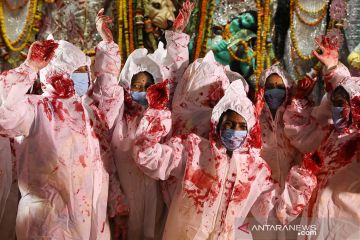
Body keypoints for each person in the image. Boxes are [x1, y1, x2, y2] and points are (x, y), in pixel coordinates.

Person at [132, 79, 317, 239]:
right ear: (217, 124)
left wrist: (303, 180)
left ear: (249, 129)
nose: (234, 130)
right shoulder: (194, 151)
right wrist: (156, 114)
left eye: (240, 126)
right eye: (229, 124)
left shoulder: (255, 170)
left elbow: (276, 212)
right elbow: (148, 157)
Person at [0, 12, 127, 239]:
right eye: (77, 72)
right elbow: (4, 111)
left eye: (85, 72)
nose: (86, 78)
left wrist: (107, 46)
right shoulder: (36, 109)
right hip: (47, 222)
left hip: (88, 218)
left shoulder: (88, 112)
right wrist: (29, 67)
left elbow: (107, 92)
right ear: (58, 75)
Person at [110, 1, 193, 239]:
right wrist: (116, 200)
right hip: (123, 202)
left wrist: (177, 37)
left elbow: (176, 74)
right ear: (126, 85)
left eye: (148, 86)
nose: (142, 90)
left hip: (157, 200)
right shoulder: (117, 117)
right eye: (136, 85)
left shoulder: (162, 116)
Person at [283, 36, 360, 240]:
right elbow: (299, 133)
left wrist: (336, 72)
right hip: (314, 224)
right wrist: (299, 100)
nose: (338, 110)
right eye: (335, 104)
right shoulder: (328, 135)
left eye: (344, 104)